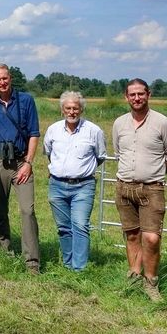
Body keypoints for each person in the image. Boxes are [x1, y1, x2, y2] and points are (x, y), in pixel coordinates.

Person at [113, 78, 167, 301]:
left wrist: (152, 174)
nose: (136, 98)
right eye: (132, 94)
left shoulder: (164, 123)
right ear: (126, 97)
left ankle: (151, 282)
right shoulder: (119, 123)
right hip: (123, 187)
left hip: (152, 189)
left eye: (141, 94)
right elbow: (118, 153)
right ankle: (133, 274)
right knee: (132, 234)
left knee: (151, 238)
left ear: (148, 95)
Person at [44, 91, 107, 271]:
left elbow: (100, 156)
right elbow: (49, 153)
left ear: (81, 110)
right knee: (63, 227)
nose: (72, 112)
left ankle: (78, 269)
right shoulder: (53, 130)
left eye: (75, 108)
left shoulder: (93, 131)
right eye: (68, 108)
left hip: (83, 186)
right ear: (62, 110)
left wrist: (80, 171)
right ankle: (67, 264)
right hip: (57, 186)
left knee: (80, 225)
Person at [0, 63, 41, 274]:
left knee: (27, 211)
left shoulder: (26, 101)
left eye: (5, 78)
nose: (2, 82)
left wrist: (28, 163)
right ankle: (5, 251)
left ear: (11, 78)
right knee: (0, 211)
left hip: (21, 161)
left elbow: (34, 134)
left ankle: (32, 263)